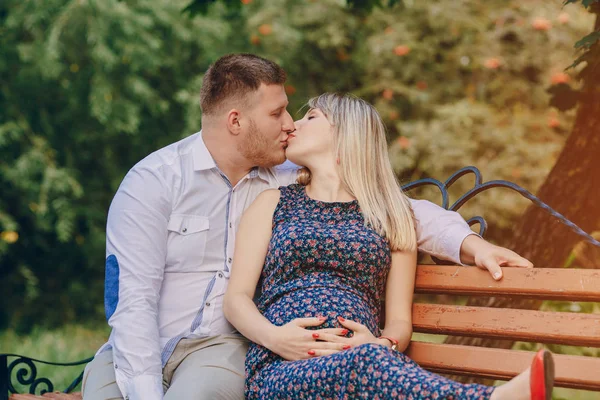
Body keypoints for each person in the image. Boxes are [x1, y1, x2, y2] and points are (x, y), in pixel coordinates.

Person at [81, 54, 534, 400]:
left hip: (221, 349)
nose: (290, 124)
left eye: (296, 115)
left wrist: (470, 245)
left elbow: (397, 210)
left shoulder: (281, 173)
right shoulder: (156, 182)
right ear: (236, 121)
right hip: (159, 344)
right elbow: (133, 302)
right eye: (278, 114)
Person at [223, 92, 554, 400]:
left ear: (346, 132)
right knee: (368, 365)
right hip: (281, 367)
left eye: (311, 117)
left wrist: (383, 343)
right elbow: (236, 299)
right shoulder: (272, 203)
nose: (293, 125)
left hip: (364, 360)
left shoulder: (391, 216)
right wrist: (276, 338)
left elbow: (399, 320)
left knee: (368, 363)